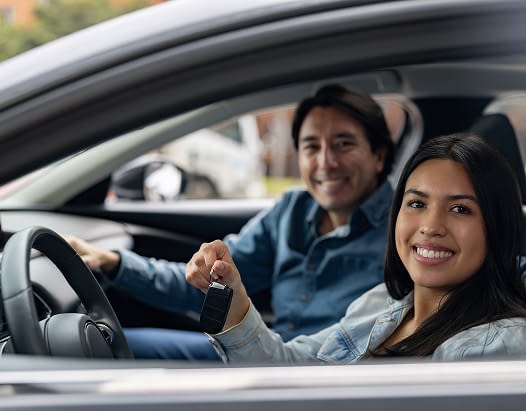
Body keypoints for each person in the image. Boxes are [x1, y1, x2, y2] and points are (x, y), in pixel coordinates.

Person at [66, 84, 396, 360]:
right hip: (260, 353)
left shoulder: (406, 227)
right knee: (109, 345)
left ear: (378, 155)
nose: (326, 162)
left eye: (344, 144)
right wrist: (112, 262)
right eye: (312, 146)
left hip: (331, 377)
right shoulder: (291, 210)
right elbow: (205, 286)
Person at [186, 133, 526, 363]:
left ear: (497, 226)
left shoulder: (495, 346)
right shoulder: (383, 303)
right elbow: (287, 370)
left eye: (460, 209)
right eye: (417, 204)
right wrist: (234, 295)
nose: (431, 227)